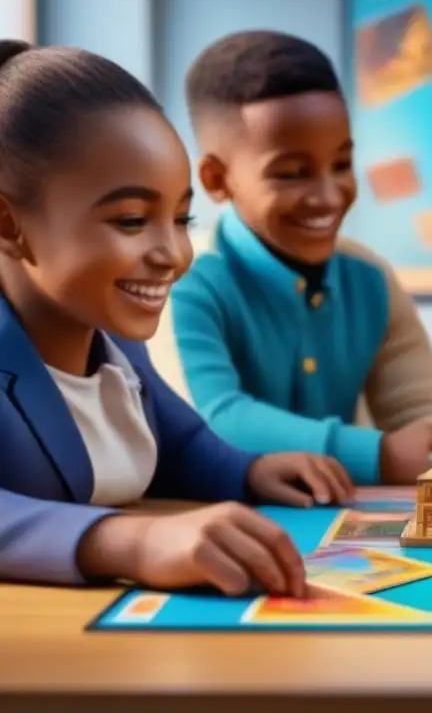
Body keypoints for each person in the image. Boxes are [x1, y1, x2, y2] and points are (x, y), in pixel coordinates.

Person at [0, 40, 352, 595]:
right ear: (8, 225)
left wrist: (249, 472)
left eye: (182, 218)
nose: (175, 255)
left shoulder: (119, 346)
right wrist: (128, 542)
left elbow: (180, 445)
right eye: (134, 219)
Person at [170, 30, 432, 487]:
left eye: (341, 164)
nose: (327, 196)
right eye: (291, 174)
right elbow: (214, 419)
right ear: (217, 179)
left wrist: (428, 452)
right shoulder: (187, 279)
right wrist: (377, 454)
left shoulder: (371, 279)